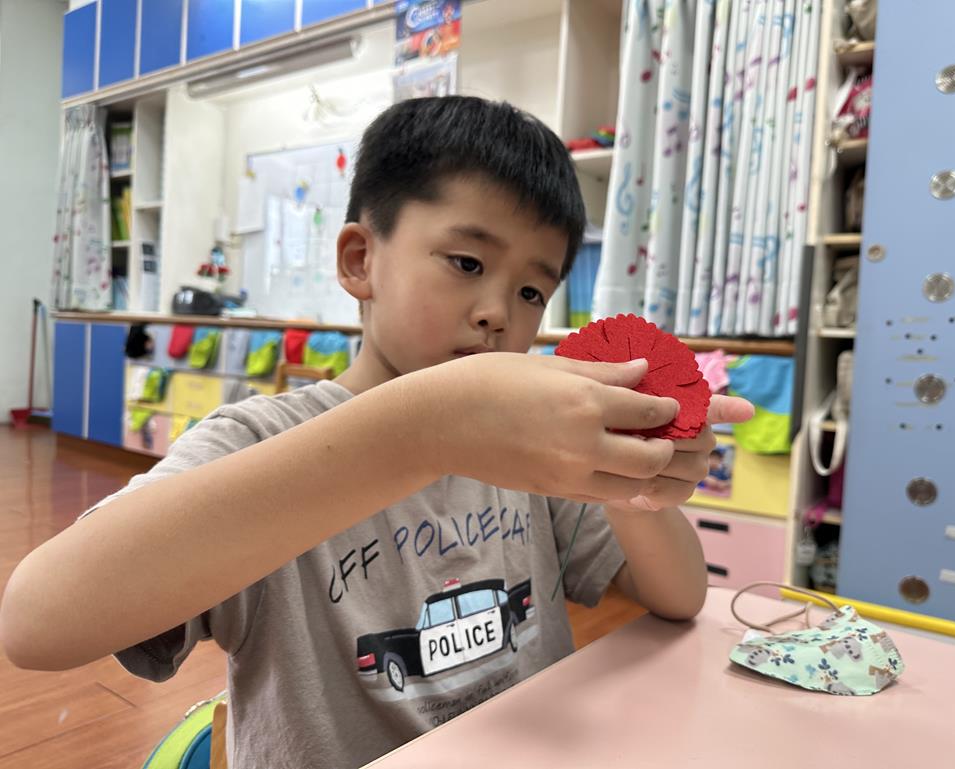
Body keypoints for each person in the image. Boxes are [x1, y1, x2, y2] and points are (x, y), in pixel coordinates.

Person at [1, 96, 752, 769]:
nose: (498, 312)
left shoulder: (533, 457)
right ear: (361, 260)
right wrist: (427, 429)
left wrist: (636, 481)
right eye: (467, 262)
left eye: (531, 290)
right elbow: (37, 623)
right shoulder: (264, 438)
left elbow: (680, 596)